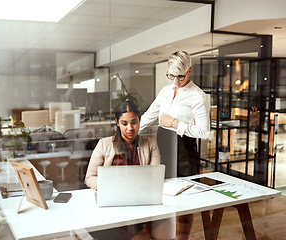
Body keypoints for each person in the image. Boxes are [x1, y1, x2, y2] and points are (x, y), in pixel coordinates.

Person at [139, 51, 211, 240]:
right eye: (172, 76)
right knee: (162, 193)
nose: (176, 81)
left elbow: (204, 132)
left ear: (189, 71)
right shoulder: (165, 91)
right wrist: (128, 132)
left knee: (186, 200)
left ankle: (182, 238)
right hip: (162, 146)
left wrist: (176, 124)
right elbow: (150, 115)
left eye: (181, 76)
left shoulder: (197, 96)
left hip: (184, 150)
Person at [85, 100, 174, 240]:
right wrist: (113, 187)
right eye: (124, 123)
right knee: (141, 237)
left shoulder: (150, 144)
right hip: (113, 206)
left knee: (167, 231)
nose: (130, 128)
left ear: (139, 121)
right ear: (117, 123)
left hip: (142, 204)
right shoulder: (104, 144)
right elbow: (90, 178)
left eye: (134, 122)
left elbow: (156, 176)